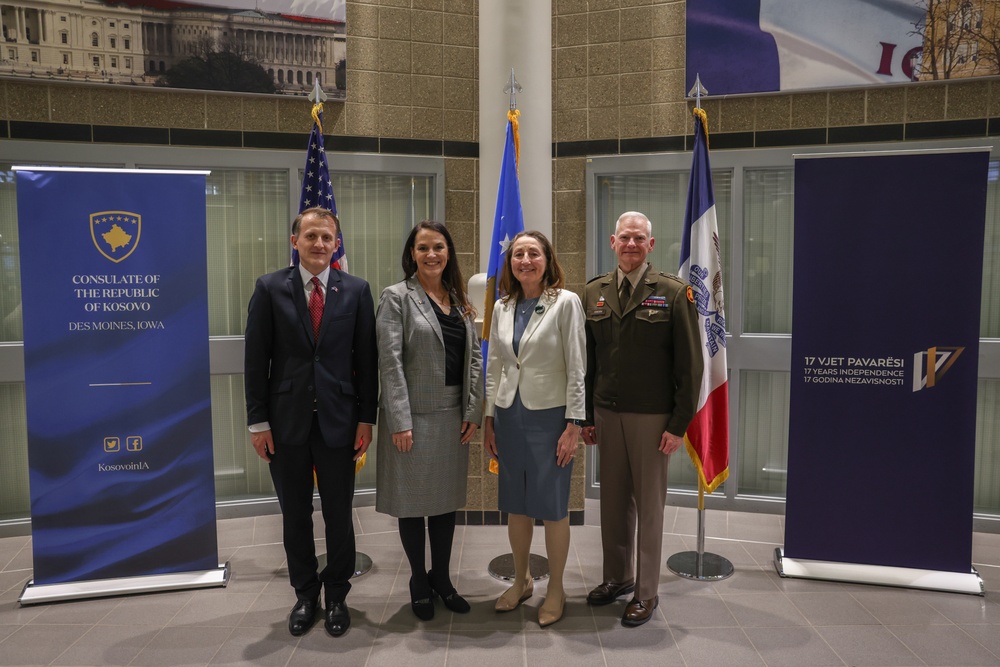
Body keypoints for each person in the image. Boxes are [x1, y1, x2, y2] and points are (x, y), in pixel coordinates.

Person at [244, 207, 378, 638]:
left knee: (339, 514)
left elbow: (366, 362)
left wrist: (367, 418)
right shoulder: (269, 289)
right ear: (294, 240)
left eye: (327, 238)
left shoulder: (356, 291)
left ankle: (337, 594)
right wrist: (257, 422)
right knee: (295, 515)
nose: (320, 244)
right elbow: (255, 361)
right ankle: (305, 595)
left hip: (340, 422)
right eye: (311, 236)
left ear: (336, 243)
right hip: (285, 426)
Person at [581, 211, 704, 627]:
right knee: (613, 502)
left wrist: (678, 424)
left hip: (653, 418)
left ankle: (646, 593)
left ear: (651, 245)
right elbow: (588, 362)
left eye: (639, 239)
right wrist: (586, 415)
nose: (631, 245)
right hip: (606, 412)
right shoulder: (594, 292)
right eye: (624, 238)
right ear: (612, 242)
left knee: (649, 506)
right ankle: (617, 577)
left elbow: (691, 366)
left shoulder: (673, 293)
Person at [375, 220, 483, 621]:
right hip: (413, 418)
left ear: (448, 252)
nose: (432, 254)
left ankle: (442, 577)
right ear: (412, 254)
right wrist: (399, 420)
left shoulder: (458, 300)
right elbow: (390, 363)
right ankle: (419, 579)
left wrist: (472, 410)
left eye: (438, 246)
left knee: (443, 505)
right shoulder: (396, 297)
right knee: (412, 503)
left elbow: (474, 360)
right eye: (423, 248)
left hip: (453, 415)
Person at [483, 230, 586, 628]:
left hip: (551, 417)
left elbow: (578, 367)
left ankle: (556, 588)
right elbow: (495, 366)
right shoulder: (502, 306)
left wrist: (574, 424)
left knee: (552, 506)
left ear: (547, 259)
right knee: (516, 503)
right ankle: (522, 579)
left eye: (533, 253)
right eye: (518, 254)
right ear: (510, 263)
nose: (525, 260)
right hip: (509, 415)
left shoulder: (565, 302)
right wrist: (490, 419)